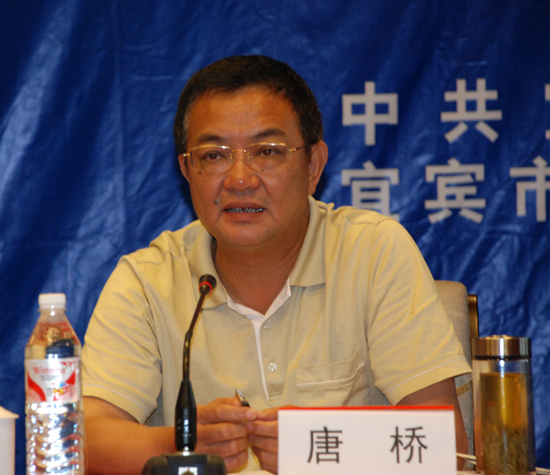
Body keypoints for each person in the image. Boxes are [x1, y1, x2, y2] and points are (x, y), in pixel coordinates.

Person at [82, 55, 471, 474]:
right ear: (187, 170)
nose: (240, 178)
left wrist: (316, 443)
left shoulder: (373, 252)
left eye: (266, 152)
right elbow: (82, 440)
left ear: (313, 166)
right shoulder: (147, 280)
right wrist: (183, 442)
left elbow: (447, 446)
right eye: (214, 156)